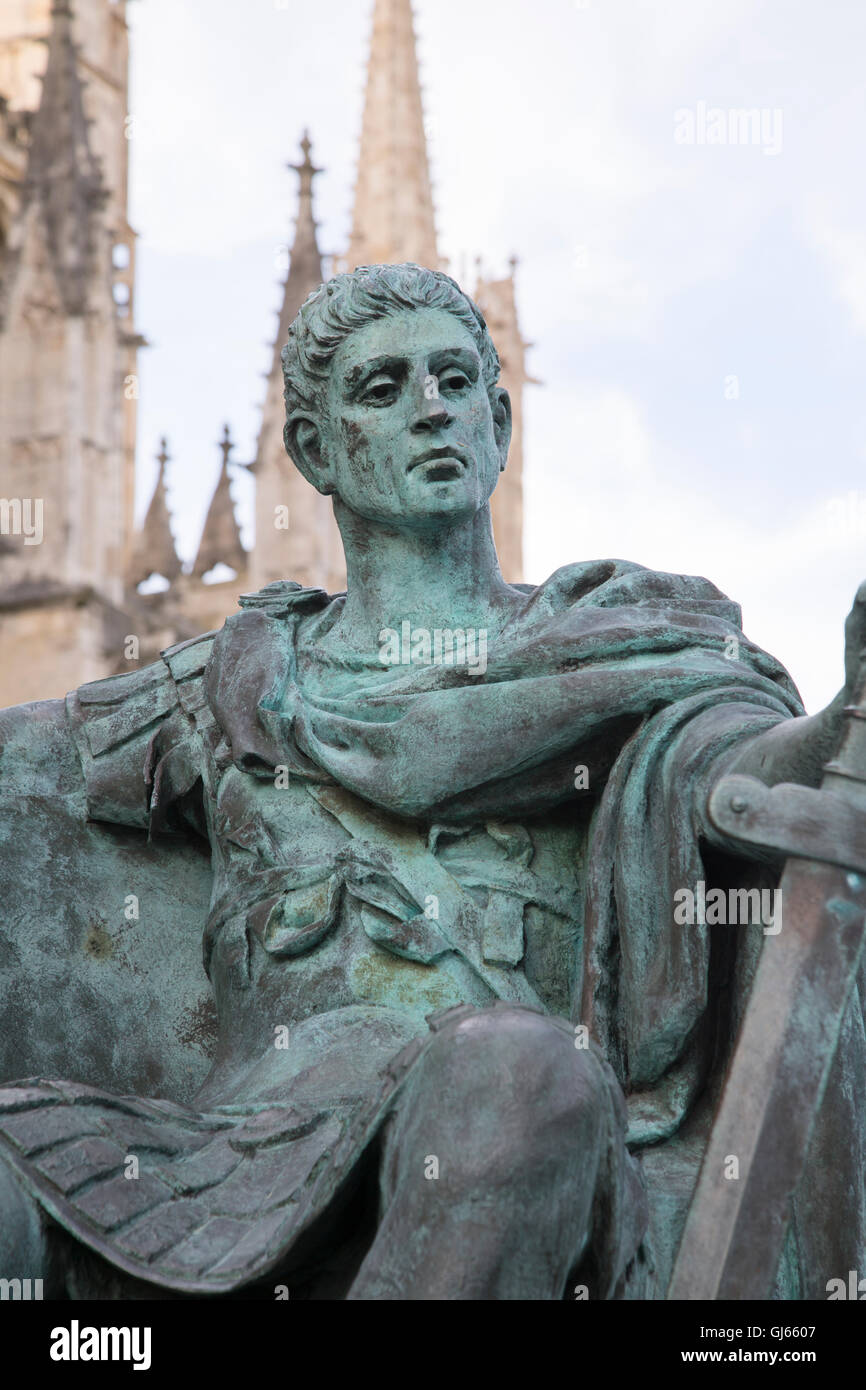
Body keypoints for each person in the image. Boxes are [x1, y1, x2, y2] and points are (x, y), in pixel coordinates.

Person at [1, 262, 864, 1300]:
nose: (431, 409)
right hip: (241, 1155)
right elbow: (24, 782)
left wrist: (846, 716)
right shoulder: (226, 684)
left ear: (500, 423)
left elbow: (747, 781)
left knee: (511, 1073)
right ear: (314, 451)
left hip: (520, 1119)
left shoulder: (611, 653)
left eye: (457, 381)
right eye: (382, 388)